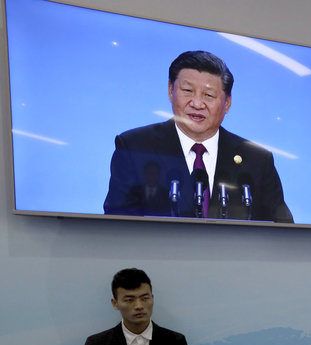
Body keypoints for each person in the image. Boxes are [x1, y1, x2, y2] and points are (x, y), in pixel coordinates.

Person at [104, 51, 292, 222]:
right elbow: (118, 226)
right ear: (171, 90)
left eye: (209, 95)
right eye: (187, 91)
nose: (197, 103)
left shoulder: (257, 160)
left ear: (227, 103)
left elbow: (282, 230)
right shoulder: (134, 146)